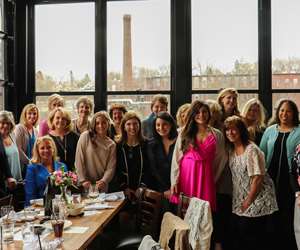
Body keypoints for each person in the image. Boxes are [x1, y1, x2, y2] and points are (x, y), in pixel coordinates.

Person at [224, 116, 277, 250]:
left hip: (257, 197)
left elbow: (257, 178)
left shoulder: (251, 150)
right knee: (237, 234)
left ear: (241, 130)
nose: (230, 133)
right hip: (239, 197)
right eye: (227, 130)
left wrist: (248, 201)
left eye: (234, 129)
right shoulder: (231, 150)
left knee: (250, 235)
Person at [170, 100, 227, 212]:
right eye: (197, 112)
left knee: (204, 213)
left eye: (204, 112)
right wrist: (174, 180)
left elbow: (220, 159)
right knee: (185, 211)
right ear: (193, 114)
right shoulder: (184, 132)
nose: (201, 115)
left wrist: (212, 177)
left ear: (209, 114)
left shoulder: (217, 134)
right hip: (186, 175)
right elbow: (176, 158)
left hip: (206, 177)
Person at [260, 99, 300, 250]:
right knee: (270, 214)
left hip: (290, 179)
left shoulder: (299, 131)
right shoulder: (270, 130)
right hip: (269, 177)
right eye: (282, 110)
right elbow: (261, 152)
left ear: (294, 113)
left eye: (288, 111)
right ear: (278, 112)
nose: (284, 114)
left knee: (287, 214)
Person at [75, 111, 116, 192]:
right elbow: (79, 160)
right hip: (85, 184)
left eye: (104, 123)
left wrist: (104, 181)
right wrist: (83, 180)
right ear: (94, 124)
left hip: (101, 185)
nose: (100, 126)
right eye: (97, 123)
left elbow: (111, 167)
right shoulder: (85, 136)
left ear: (108, 124)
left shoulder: (112, 144)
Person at [115, 111, 149, 201]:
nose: (132, 127)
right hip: (123, 191)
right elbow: (116, 169)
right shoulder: (118, 145)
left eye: (135, 124)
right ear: (124, 127)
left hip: (143, 190)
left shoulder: (146, 144)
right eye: (128, 124)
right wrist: (125, 188)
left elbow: (149, 169)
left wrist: (142, 187)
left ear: (139, 125)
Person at [25, 136, 67, 206]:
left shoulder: (62, 166)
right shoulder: (32, 169)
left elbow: (66, 191)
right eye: (42, 148)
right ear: (37, 151)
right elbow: (30, 196)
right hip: (40, 208)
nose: (46, 150)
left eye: (49, 147)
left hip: (61, 206)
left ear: (53, 149)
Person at [147, 111, 178, 198]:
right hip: (159, 189)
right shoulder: (151, 144)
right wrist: (165, 190)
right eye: (158, 125)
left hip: (178, 187)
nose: (161, 127)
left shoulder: (179, 142)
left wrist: (173, 187)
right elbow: (154, 169)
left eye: (165, 124)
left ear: (171, 125)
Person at [48, 107, 79, 171]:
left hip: (74, 172)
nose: (60, 120)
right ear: (52, 120)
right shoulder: (48, 138)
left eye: (63, 118)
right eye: (57, 118)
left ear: (67, 121)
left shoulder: (75, 136)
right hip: (55, 174)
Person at [14, 103, 39, 176]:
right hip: (22, 166)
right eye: (29, 113)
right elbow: (18, 149)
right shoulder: (19, 128)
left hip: (33, 167)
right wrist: (29, 162)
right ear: (25, 115)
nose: (32, 116)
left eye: (34, 114)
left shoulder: (35, 130)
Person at [0, 111, 17, 197]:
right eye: (2, 123)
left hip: (17, 179)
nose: (5, 125)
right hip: (5, 181)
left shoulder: (12, 135)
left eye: (8, 123)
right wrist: (8, 177)